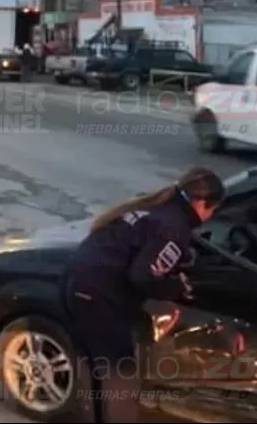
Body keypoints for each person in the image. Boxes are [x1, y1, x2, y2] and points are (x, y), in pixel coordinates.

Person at [65, 167, 226, 423]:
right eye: (212, 209)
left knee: (93, 369)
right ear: (200, 203)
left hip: (79, 284)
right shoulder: (174, 226)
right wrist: (176, 288)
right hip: (100, 296)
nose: (210, 216)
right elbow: (143, 276)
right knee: (120, 377)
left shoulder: (156, 208)